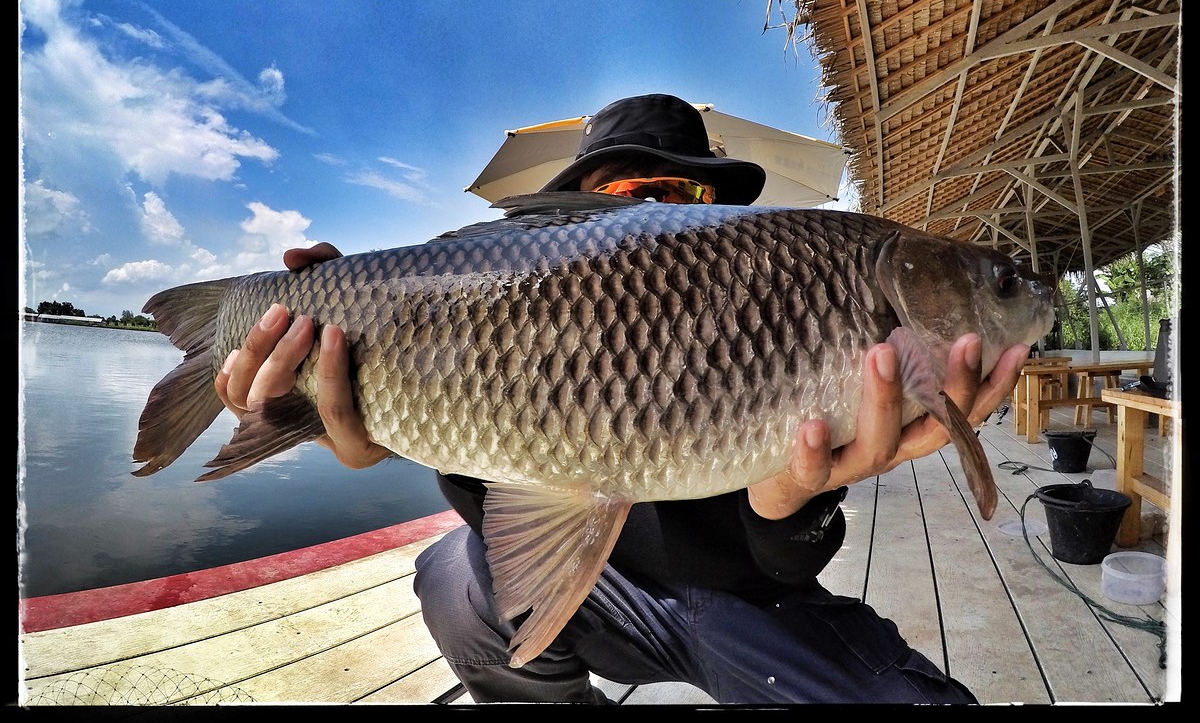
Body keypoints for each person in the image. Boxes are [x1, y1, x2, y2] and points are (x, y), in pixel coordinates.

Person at [216, 94, 1028, 704]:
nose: (654, 214)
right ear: (569, 217)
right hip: (603, 596)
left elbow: (796, 556)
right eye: (633, 189)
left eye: (693, 197)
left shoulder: (806, 297)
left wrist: (788, 499)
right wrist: (348, 427)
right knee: (458, 584)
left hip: (750, 604)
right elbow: (496, 488)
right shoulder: (501, 310)